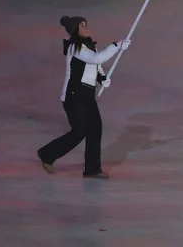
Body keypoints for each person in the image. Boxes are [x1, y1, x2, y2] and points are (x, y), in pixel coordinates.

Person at [37, 15, 131, 179]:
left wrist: (101, 78)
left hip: (87, 96)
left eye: (86, 24)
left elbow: (96, 65)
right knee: (79, 132)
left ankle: (92, 169)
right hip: (74, 97)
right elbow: (96, 58)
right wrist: (116, 46)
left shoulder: (87, 46)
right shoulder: (75, 47)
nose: (86, 27)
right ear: (75, 29)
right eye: (82, 25)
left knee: (95, 129)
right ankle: (46, 154)